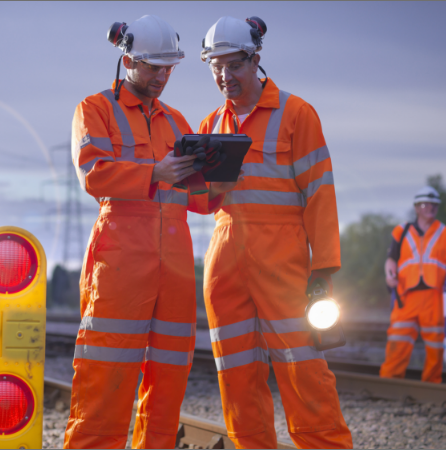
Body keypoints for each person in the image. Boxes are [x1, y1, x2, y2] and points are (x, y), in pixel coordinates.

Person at [63, 15, 229, 449]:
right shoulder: (96, 109)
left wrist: (218, 185)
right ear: (128, 58)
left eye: (169, 68)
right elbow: (94, 174)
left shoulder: (177, 122)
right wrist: (154, 171)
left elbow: (195, 199)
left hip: (173, 267)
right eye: (153, 67)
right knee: (106, 377)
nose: (162, 76)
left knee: (169, 379)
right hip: (121, 263)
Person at [197, 16, 352, 448]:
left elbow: (320, 193)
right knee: (236, 375)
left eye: (234, 66)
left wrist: (323, 267)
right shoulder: (210, 125)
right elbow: (202, 201)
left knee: (304, 371)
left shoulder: (296, 114)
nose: (224, 76)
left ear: (255, 60)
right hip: (225, 260)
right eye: (216, 67)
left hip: (283, 260)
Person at [381, 186, 446, 383]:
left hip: (434, 297)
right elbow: (391, 259)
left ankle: (431, 385)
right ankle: (388, 383)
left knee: (436, 344)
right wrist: (388, 274)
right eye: (426, 204)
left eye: (434, 204)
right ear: (417, 207)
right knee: (398, 340)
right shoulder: (401, 231)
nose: (431, 208)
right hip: (405, 296)